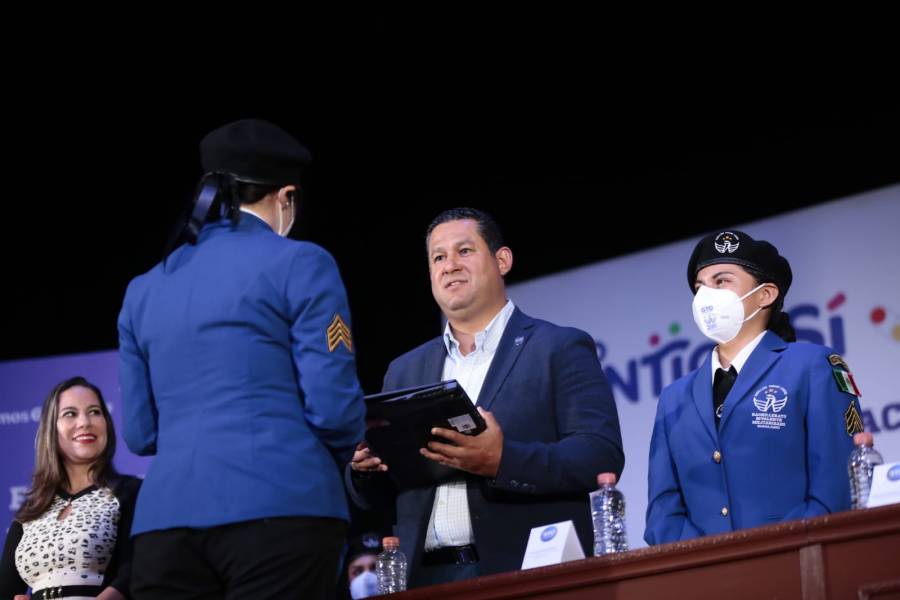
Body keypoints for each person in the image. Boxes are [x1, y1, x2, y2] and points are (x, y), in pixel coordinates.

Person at [117, 119, 366, 598]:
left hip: (163, 525)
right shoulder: (301, 262)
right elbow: (334, 409)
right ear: (285, 197)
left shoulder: (142, 289)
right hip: (283, 507)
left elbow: (140, 433)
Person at [348, 207, 624, 587]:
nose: (450, 266)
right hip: (427, 579)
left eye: (464, 251)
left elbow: (599, 454)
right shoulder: (404, 369)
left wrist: (502, 460)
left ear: (502, 260)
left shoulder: (558, 347)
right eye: (438, 257)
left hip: (525, 571)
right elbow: (385, 495)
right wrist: (365, 472)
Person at [645, 230, 864, 545]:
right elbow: (662, 512)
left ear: (766, 294)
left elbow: (836, 485)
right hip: (704, 578)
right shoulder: (674, 397)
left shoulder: (812, 365)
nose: (706, 295)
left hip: (797, 563)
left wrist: (775, 553)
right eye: (700, 286)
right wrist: (703, 560)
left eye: (721, 281)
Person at [0, 376, 141, 600]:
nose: (85, 422)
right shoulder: (31, 509)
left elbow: (137, 567)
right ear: (51, 429)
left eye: (95, 411)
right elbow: (6, 590)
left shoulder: (130, 492)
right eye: (70, 414)